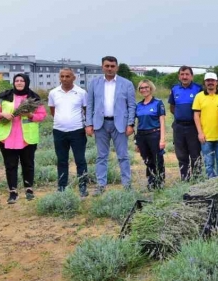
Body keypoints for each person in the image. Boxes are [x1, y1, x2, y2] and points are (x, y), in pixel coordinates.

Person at [0, 73, 48, 203]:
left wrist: (30, 115)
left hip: (26, 137)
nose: (19, 83)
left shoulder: (34, 97)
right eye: (17, 80)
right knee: (10, 165)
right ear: (13, 82)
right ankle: (13, 192)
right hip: (7, 137)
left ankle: (29, 190)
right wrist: (2, 114)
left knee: (28, 164)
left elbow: (42, 115)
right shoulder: (4, 96)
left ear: (26, 82)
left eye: (22, 80)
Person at [85, 56, 136, 193]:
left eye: (112, 66)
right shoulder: (94, 83)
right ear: (102, 67)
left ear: (117, 67)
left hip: (120, 124)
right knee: (101, 156)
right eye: (107, 66)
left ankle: (127, 185)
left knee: (123, 156)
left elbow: (131, 105)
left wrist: (131, 124)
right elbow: (90, 105)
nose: (109, 68)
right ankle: (101, 185)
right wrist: (88, 124)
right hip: (100, 124)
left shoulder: (126, 84)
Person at [48, 68, 89, 196]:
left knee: (80, 160)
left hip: (77, 131)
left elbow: (86, 109)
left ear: (73, 78)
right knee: (61, 160)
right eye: (62, 76)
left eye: (67, 76)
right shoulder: (53, 93)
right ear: (59, 78)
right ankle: (62, 186)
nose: (64, 79)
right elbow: (53, 110)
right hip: (59, 131)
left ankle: (83, 186)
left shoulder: (81, 92)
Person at [168, 66, 203, 181]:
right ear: (179, 76)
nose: (184, 77)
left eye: (187, 74)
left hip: (193, 127)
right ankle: (185, 178)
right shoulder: (174, 89)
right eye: (182, 74)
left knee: (195, 154)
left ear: (192, 76)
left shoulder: (198, 89)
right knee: (181, 155)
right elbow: (172, 108)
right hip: (178, 127)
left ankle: (197, 180)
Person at [192, 72, 218, 178]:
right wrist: (200, 133)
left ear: (216, 82)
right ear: (205, 83)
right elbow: (196, 116)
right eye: (208, 81)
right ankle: (211, 187)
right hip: (206, 137)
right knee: (208, 165)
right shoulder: (199, 96)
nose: (210, 83)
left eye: (212, 80)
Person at [134, 79, 166, 190]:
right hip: (142, 136)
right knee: (147, 159)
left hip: (154, 134)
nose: (144, 89)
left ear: (151, 88)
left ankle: (160, 180)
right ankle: (151, 180)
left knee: (157, 159)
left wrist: (162, 139)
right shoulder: (138, 105)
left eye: (146, 87)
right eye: (141, 88)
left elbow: (162, 122)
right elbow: (137, 124)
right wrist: (136, 141)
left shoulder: (158, 103)